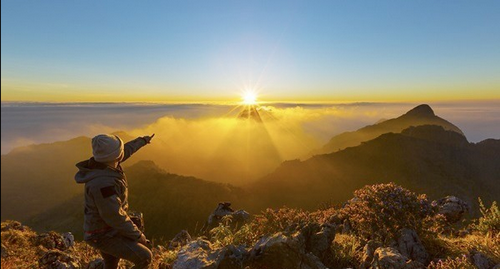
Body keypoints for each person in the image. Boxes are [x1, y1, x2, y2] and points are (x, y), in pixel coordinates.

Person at [75, 133, 155, 269]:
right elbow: (114, 216)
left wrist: (142, 141)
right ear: (115, 156)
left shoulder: (105, 164)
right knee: (145, 257)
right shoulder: (103, 184)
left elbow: (126, 150)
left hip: (105, 228)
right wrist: (138, 236)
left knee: (111, 264)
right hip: (102, 234)